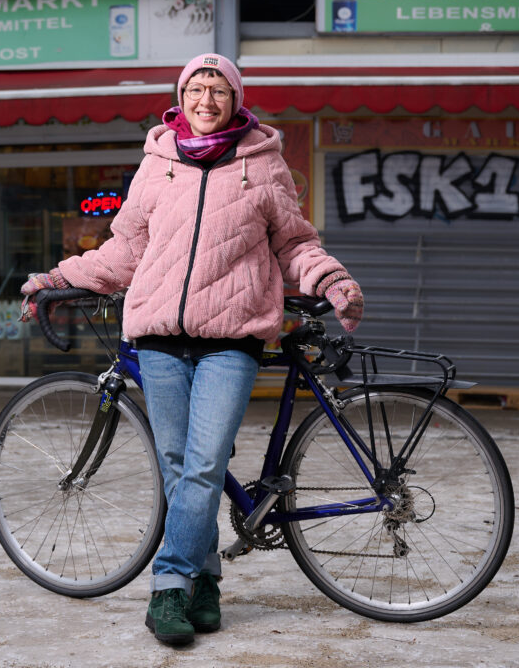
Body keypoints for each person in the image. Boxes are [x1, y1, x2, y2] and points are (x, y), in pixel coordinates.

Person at [20, 53, 364, 646]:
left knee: (203, 465)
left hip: (231, 339)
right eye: (196, 89)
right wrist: (57, 278)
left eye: (219, 91)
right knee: (180, 468)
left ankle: (168, 588)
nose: (207, 101)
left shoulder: (264, 162)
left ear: (235, 99)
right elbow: (122, 253)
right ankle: (206, 584)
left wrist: (330, 278)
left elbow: (295, 243)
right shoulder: (156, 164)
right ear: (181, 97)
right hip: (157, 338)